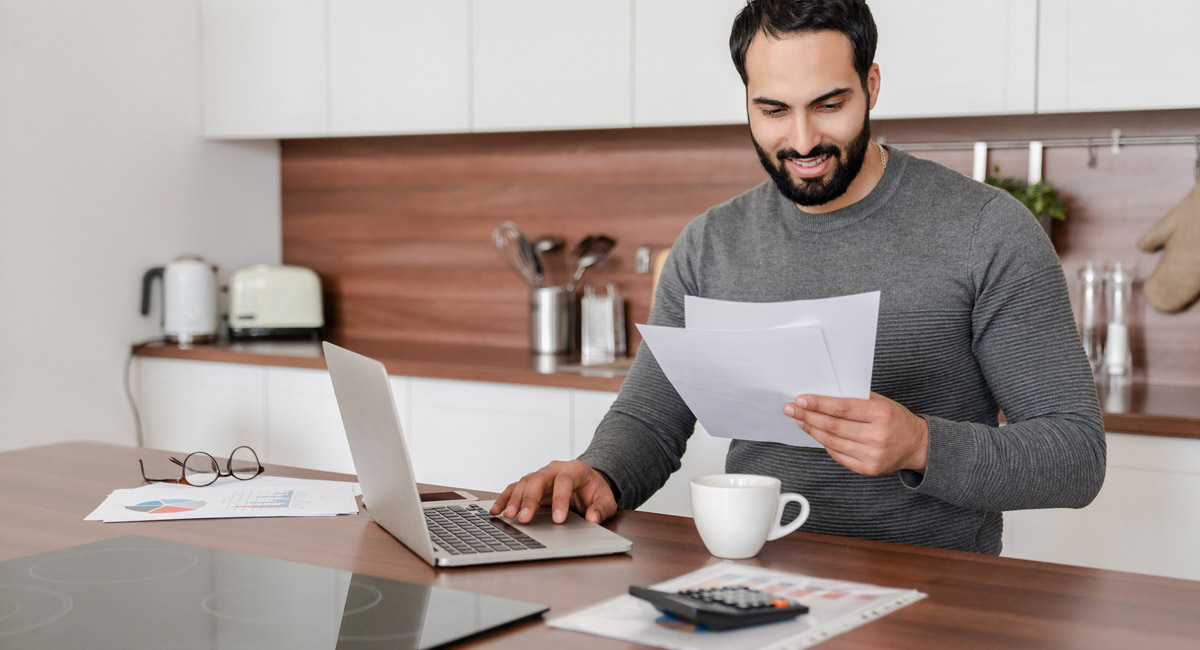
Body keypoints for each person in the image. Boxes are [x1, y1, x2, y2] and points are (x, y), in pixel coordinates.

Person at [490, 0, 1105, 554]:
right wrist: (598, 472)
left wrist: (921, 445)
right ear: (747, 101)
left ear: (872, 85)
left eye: (829, 105)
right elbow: (650, 421)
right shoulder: (710, 244)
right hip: (757, 584)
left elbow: (1076, 456)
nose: (803, 139)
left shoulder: (985, 230)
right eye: (774, 110)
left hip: (932, 597)